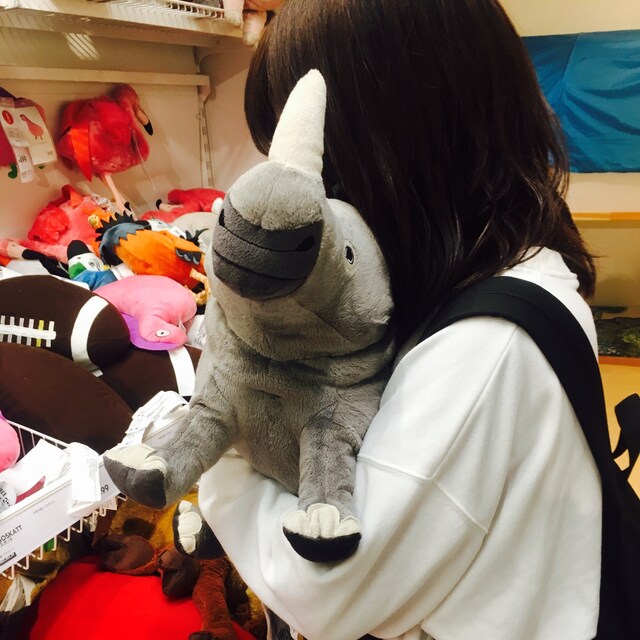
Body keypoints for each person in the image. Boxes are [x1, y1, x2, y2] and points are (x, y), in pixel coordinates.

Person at [197, 1, 602, 639]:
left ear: (386, 148)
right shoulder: (500, 267)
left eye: (319, 170)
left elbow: (325, 583)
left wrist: (212, 436)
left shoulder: (485, 346)